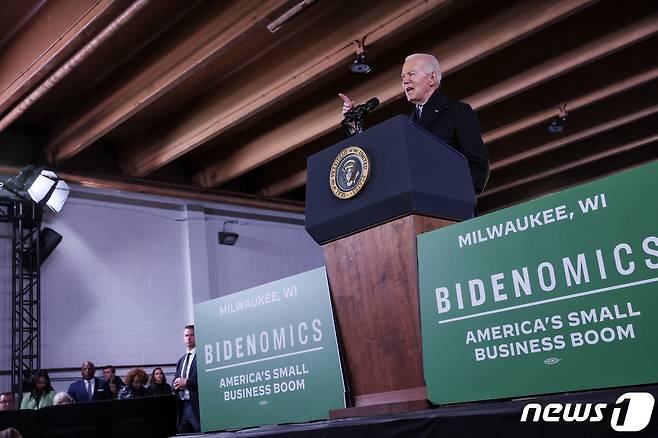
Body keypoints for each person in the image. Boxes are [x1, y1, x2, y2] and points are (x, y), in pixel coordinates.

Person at [339, 53, 490, 195]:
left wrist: (460, 198)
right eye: (403, 76)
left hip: (451, 210)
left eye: (411, 74)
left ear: (432, 78)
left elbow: (478, 166)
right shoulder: (407, 125)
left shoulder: (457, 112)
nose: (405, 81)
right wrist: (354, 126)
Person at [173, 325, 200, 433]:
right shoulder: (181, 360)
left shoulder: (202, 357)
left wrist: (186, 382)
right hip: (183, 406)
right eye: (186, 335)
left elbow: (205, 382)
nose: (188, 338)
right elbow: (175, 381)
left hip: (197, 407)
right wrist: (175, 385)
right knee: (183, 433)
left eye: (191, 335)